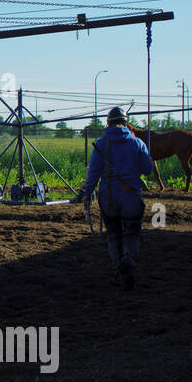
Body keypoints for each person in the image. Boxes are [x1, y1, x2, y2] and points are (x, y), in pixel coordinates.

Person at [74, 106, 155, 289]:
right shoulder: (137, 144)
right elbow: (147, 170)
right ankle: (128, 258)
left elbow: (93, 174)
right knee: (133, 233)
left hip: (108, 197)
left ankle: (119, 274)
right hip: (132, 197)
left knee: (114, 235)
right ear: (126, 123)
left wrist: (87, 195)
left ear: (108, 123)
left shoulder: (101, 145)